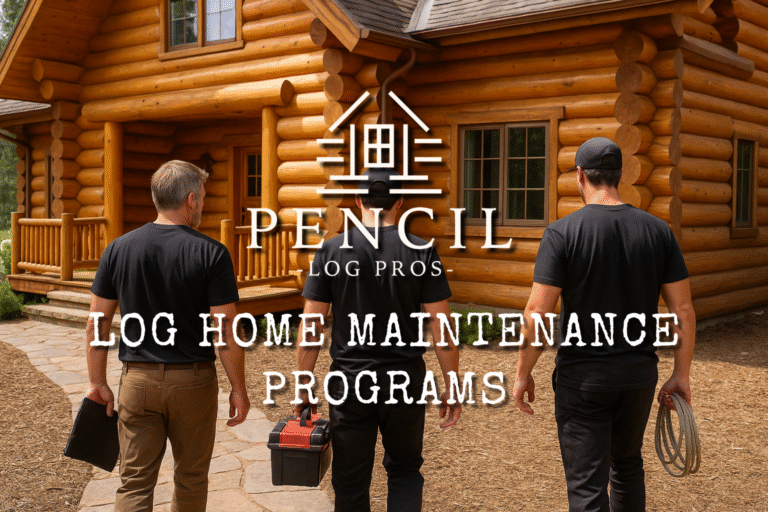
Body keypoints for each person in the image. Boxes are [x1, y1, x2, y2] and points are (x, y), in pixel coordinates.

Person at [512, 137, 696, 512]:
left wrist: (522, 373)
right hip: (637, 378)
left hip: (583, 383)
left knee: (586, 488)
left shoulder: (562, 233)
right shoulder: (658, 232)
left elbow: (538, 313)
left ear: (581, 175)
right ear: (621, 175)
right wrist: (681, 373)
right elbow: (684, 310)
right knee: (627, 467)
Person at [85, 160, 250, 512]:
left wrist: (97, 381)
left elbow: (96, 322)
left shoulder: (119, 248)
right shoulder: (212, 253)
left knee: (134, 483)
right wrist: (239, 388)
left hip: (138, 382)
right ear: (190, 199)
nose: (203, 204)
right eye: (202, 198)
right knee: (191, 480)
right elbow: (226, 330)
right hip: (193, 383)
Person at [295, 168, 462, 512]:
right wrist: (453, 383)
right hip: (404, 381)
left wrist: (302, 384)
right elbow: (441, 326)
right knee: (404, 471)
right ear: (400, 202)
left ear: (357, 202)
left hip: (351, 383)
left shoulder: (331, 251)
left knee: (351, 479)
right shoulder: (421, 252)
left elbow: (311, 324)